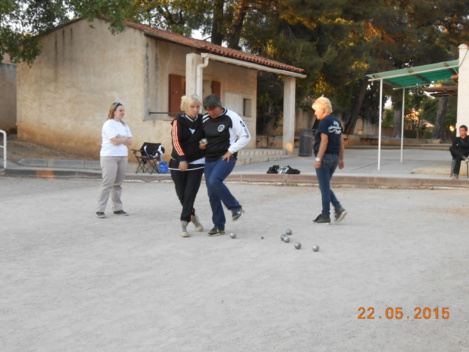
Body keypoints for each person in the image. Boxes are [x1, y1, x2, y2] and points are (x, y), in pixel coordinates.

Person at [200, 94, 251, 236]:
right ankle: (218, 226)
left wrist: (231, 150)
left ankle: (236, 207)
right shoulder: (204, 119)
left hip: (225, 158)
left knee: (214, 181)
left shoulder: (232, 117)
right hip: (209, 159)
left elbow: (246, 136)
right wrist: (202, 144)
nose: (210, 113)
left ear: (219, 107)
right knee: (212, 193)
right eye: (208, 110)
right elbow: (202, 137)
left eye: (212, 110)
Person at [169, 94, 205, 237]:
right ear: (185, 107)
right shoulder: (178, 120)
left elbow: (207, 135)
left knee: (190, 193)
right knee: (181, 194)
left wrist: (205, 143)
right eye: (192, 107)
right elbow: (175, 141)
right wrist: (182, 159)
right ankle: (193, 217)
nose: (196, 109)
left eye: (198, 107)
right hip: (178, 162)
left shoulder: (203, 120)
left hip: (197, 162)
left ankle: (184, 223)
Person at [312, 96, 347, 224]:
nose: (315, 113)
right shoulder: (337, 121)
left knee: (324, 187)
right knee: (325, 186)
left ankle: (328, 213)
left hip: (325, 158)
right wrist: (341, 159)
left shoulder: (324, 122)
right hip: (334, 158)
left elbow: (324, 141)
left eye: (316, 110)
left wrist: (318, 158)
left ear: (322, 109)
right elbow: (341, 142)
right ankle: (334, 210)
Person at [96, 102, 133, 218]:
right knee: (107, 183)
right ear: (114, 112)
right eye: (120, 110)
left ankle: (117, 208)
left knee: (118, 184)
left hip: (122, 156)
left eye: (123, 110)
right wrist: (123, 138)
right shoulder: (108, 124)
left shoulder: (124, 125)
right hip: (109, 156)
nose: (123, 112)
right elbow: (114, 141)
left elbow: (130, 141)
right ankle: (100, 209)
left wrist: (120, 138)